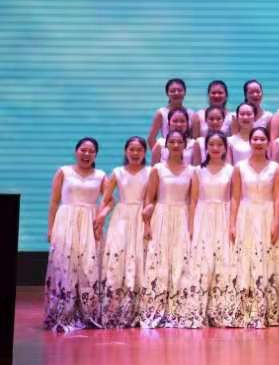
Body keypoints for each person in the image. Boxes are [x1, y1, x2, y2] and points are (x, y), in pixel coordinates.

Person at [44, 137, 108, 332]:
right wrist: (50, 228)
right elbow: (54, 202)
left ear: (96, 155)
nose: (86, 154)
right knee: (65, 267)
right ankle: (63, 313)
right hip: (66, 222)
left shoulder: (101, 175)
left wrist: (101, 215)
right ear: (76, 151)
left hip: (89, 224)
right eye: (83, 150)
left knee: (88, 268)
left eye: (91, 151)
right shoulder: (64, 172)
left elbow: (109, 200)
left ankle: (88, 314)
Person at [138, 130, 195, 328]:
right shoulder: (158, 169)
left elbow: (192, 201)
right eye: (172, 141)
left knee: (180, 261)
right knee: (159, 261)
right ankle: (155, 310)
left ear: (185, 145)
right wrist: (147, 224)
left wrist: (191, 226)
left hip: (181, 216)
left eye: (180, 142)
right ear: (166, 145)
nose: (176, 145)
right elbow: (149, 198)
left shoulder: (192, 171)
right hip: (161, 216)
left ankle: (178, 311)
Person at [229, 127, 279, 327]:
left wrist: (276, 221)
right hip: (246, 215)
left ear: (268, 143)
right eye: (255, 139)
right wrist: (232, 224)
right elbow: (235, 198)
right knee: (247, 259)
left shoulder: (275, 167)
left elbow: (278, 198)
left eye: (262, 139)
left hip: (267, 214)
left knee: (268, 258)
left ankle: (267, 310)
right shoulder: (239, 167)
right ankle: (246, 309)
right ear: (250, 142)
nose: (259, 143)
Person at [180, 132, 235, 328]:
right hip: (202, 217)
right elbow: (193, 200)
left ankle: (221, 311)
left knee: (222, 261)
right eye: (212, 144)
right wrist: (191, 225)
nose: (215, 148)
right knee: (202, 261)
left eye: (219, 144)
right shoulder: (198, 171)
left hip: (223, 216)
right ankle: (196, 311)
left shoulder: (231, 170)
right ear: (206, 148)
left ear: (225, 148)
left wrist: (232, 223)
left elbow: (234, 198)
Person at [100, 137, 150, 328]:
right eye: (132, 149)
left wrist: (149, 213)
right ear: (125, 151)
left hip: (142, 216)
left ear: (144, 152)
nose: (135, 153)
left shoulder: (151, 171)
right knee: (119, 256)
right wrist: (100, 217)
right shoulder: (117, 172)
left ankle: (139, 308)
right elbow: (106, 199)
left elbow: (154, 197)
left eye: (139, 150)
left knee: (140, 257)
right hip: (121, 217)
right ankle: (116, 308)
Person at [147, 78, 191, 149]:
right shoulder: (161, 113)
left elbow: (195, 140)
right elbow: (151, 139)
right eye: (172, 91)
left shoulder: (192, 114)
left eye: (179, 90)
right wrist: (161, 153)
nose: (176, 93)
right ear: (167, 93)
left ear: (185, 92)